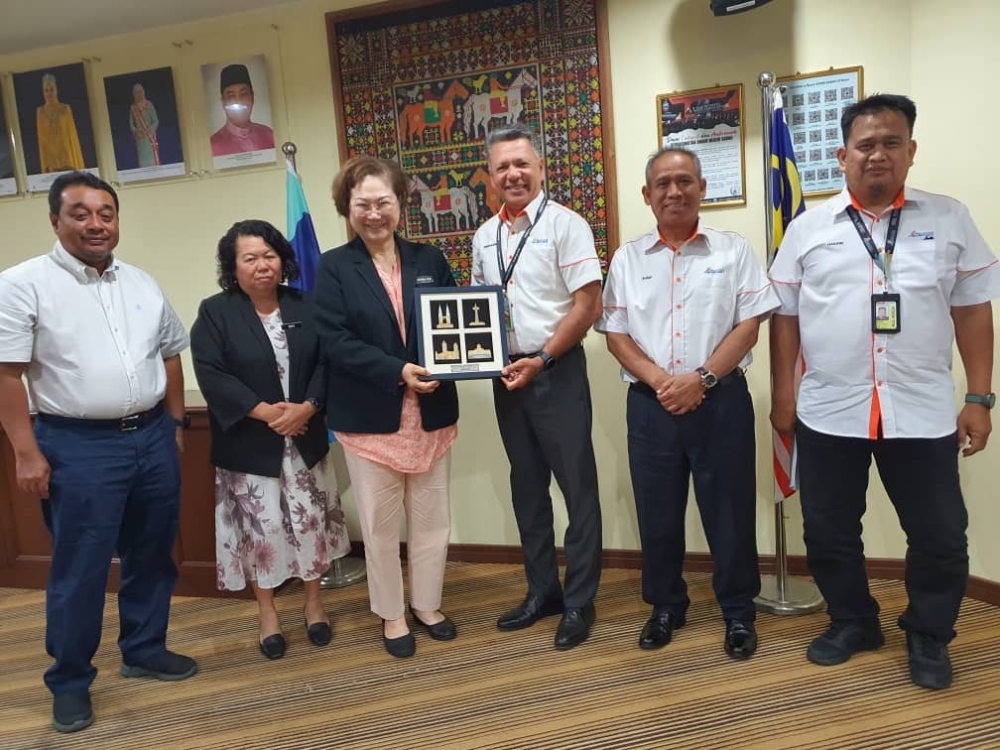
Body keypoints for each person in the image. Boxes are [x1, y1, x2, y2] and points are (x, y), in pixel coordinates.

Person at [769, 94, 1000, 690]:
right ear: (842, 156)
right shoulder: (807, 229)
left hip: (921, 411)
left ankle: (929, 634)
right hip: (829, 409)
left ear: (911, 151)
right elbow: (785, 317)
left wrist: (979, 398)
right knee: (828, 531)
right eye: (865, 145)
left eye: (891, 143)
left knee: (939, 534)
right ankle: (853, 621)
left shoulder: (949, 218)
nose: (878, 154)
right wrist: (783, 394)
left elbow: (974, 310)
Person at [0, 171, 196, 734]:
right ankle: (69, 681)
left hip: (153, 437)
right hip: (77, 446)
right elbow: (7, 376)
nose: (96, 224)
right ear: (55, 220)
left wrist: (175, 423)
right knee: (81, 569)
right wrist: (26, 453)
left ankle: (144, 649)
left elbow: (170, 353)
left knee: (152, 553)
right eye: (80, 213)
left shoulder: (141, 282)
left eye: (106, 214)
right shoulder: (22, 285)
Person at [596, 147, 778, 659]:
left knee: (730, 511)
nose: (674, 192)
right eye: (663, 184)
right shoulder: (628, 258)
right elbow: (616, 334)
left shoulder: (733, 250)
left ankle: (738, 611)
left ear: (702, 188)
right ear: (647, 194)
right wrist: (663, 382)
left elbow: (749, 325)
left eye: (684, 181)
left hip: (721, 400)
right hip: (650, 405)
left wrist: (701, 379)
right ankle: (665, 606)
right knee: (656, 512)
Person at [312, 156, 459, 659]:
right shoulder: (334, 267)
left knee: (432, 519)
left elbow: (455, 322)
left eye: (383, 202)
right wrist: (397, 370)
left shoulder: (429, 260)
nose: (374, 214)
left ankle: (427, 604)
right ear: (346, 208)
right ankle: (392, 613)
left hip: (430, 414)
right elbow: (333, 340)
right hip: (370, 419)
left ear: (400, 203)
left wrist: (458, 361)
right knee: (379, 527)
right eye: (363, 204)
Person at [190, 219, 350, 661]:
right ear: (233, 266)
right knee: (262, 532)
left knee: (309, 525)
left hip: (304, 438)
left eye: (269, 255)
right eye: (250, 258)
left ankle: (314, 604)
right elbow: (211, 372)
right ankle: (268, 613)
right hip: (249, 443)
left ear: (282, 260)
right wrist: (268, 414)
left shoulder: (306, 305)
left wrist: (308, 407)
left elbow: (329, 362)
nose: (262, 265)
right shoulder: (215, 312)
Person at [471, 123, 604, 651]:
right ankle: (542, 591)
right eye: (502, 166)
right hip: (507, 376)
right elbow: (479, 309)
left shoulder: (567, 225)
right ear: (491, 176)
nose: (513, 174)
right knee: (526, 489)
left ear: (541, 168)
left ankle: (579, 601)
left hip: (557, 370)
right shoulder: (485, 236)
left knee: (577, 489)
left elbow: (587, 305)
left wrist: (544, 358)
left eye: (521, 163)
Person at [209, 63, 275, 157]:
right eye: (231, 96)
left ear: (252, 97)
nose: (238, 101)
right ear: (223, 102)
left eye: (243, 94)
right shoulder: (213, 146)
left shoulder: (269, 135)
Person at [36, 73, 84, 173]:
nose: (49, 93)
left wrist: (77, 163)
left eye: (51, 89)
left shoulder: (65, 109)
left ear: (56, 90)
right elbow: (42, 140)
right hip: (51, 161)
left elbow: (72, 135)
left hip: (67, 159)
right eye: (46, 90)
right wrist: (45, 165)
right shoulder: (41, 112)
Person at [129, 83, 160, 167]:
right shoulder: (133, 108)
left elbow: (156, 121)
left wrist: (148, 131)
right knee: (143, 161)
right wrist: (136, 132)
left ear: (143, 92)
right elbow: (131, 124)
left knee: (152, 160)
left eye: (140, 92)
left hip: (150, 137)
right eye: (136, 93)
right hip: (140, 139)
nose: (138, 94)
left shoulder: (149, 105)